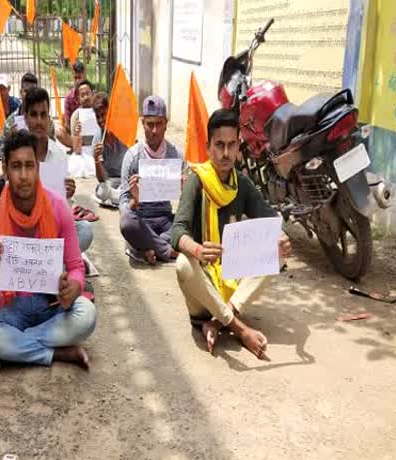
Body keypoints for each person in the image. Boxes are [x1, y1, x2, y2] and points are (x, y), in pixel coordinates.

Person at [171, 109, 292, 358]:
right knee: (183, 264)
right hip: (203, 295)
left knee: (278, 255)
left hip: (232, 287)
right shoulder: (197, 181)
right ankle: (237, 327)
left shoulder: (242, 184)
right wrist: (198, 250)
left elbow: (269, 218)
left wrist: (280, 237)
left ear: (238, 147)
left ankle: (218, 322)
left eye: (231, 145)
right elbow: (177, 231)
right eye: (219, 145)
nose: (225, 153)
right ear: (208, 148)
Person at [0, 131, 97, 370]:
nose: (23, 176)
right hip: (12, 310)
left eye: (29, 166)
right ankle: (59, 354)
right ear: (4, 169)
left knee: (87, 314)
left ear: (38, 167)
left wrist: (74, 287)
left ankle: (13, 350)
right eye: (16, 167)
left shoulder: (58, 207)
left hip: (52, 307)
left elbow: (75, 268)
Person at [0, 87, 93, 253]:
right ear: (25, 118)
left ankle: (50, 259)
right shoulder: (17, 154)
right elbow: (8, 198)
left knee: (85, 231)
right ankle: (52, 259)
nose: (39, 121)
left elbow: (62, 209)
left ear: (49, 118)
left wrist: (67, 193)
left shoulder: (59, 155)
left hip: (51, 228)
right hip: (22, 228)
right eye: (33, 115)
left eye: (43, 115)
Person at [119, 95, 182, 265]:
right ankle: (166, 250)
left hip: (166, 220)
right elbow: (123, 206)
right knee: (126, 223)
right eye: (150, 124)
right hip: (141, 221)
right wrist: (135, 201)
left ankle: (145, 248)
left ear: (166, 124)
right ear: (143, 124)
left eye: (159, 124)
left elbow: (186, 205)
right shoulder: (132, 157)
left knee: (196, 218)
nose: (154, 130)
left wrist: (185, 190)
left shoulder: (176, 155)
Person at [89, 92, 126, 208]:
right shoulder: (97, 139)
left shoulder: (125, 134)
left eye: (103, 114)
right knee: (103, 191)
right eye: (97, 117)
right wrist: (97, 160)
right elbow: (102, 179)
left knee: (130, 190)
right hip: (109, 182)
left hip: (125, 181)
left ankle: (116, 198)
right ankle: (118, 198)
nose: (101, 120)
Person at [63, 61, 87, 129]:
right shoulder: (68, 98)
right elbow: (67, 123)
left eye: (79, 78)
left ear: (84, 76)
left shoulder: (91, 94)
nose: (77, 81)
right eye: (75, 78)